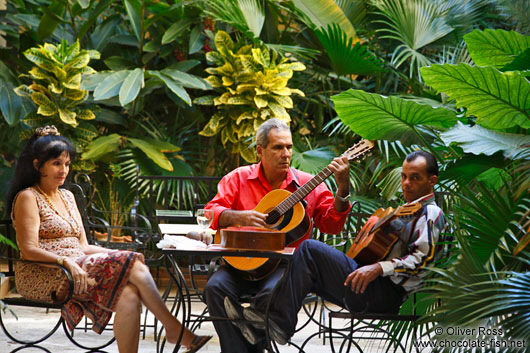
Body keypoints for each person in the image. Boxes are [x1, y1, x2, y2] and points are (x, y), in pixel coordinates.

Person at [6, 126, 211, 353]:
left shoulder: (67, 196)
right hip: (45, 273)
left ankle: (172, 332)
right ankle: (175, 330)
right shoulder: (28, 197)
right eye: (56, 164)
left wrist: (113, 255)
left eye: (66, 164)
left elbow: (82, 246)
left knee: (130, 291)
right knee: (132, 263)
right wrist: (66, 262)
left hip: (77, 265)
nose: (63, 170)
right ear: (37, 165)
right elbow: (28, 249)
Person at [239, 150, 447, 345]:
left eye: (415, 177)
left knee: (309, 249)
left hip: (385, 295)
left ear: (432, 181)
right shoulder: (409, 209)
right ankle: (263, 322)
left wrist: (378, 267)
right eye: (403, 176)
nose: (406, 183)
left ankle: (269, 320)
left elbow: (423, 260)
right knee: (304, 268)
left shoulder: (431, 213)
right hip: (369, 287)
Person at [203, 118, 352, 353]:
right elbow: (210, 211)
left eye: (289, 147)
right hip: (240, 262)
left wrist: (342, 190)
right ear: (260, 151)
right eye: (278, 147)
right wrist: (240, 217)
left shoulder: (307, 184)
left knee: (271, 294)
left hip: (285, 267)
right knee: (214, 288)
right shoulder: (238, 178)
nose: (286, 154)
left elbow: (332, 225)